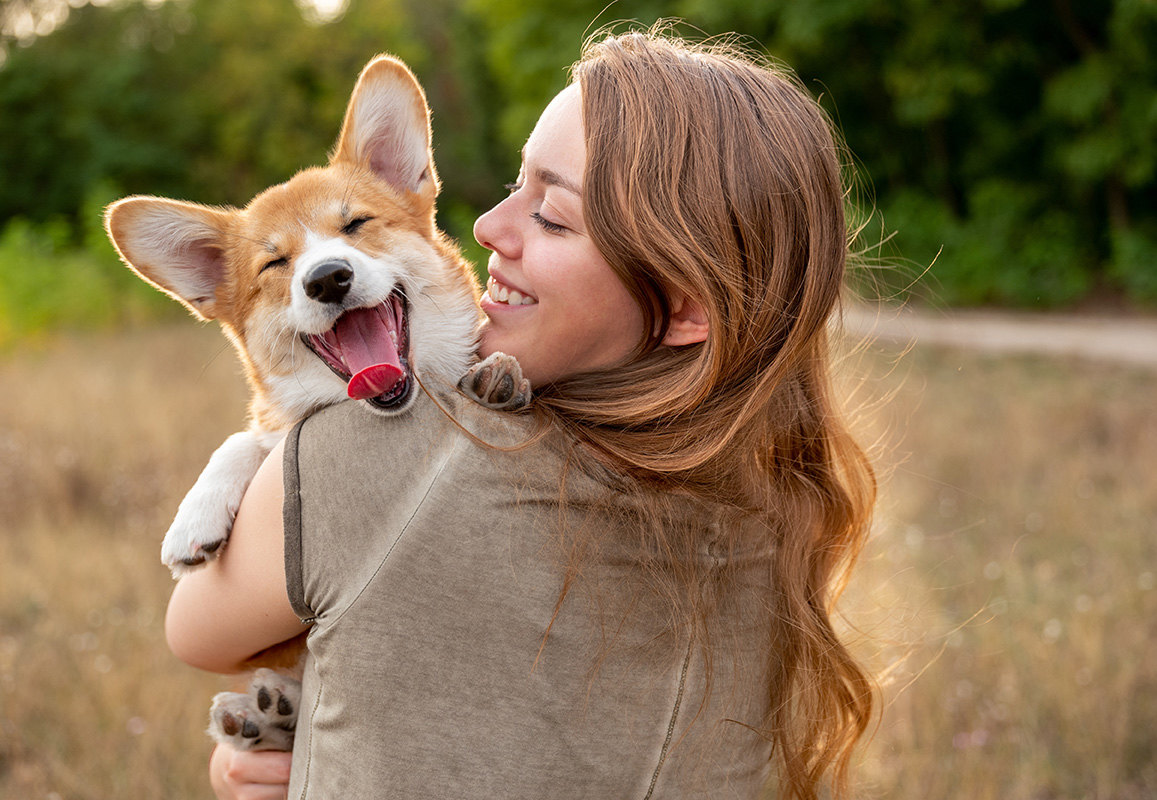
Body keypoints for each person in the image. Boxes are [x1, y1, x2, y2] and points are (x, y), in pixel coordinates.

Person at [166, 27, 876, 800]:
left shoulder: (367, 460)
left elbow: (194, 632)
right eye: (516, 184)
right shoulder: (775, 508)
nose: (485, 227)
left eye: (554, 216)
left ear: (681, 305)